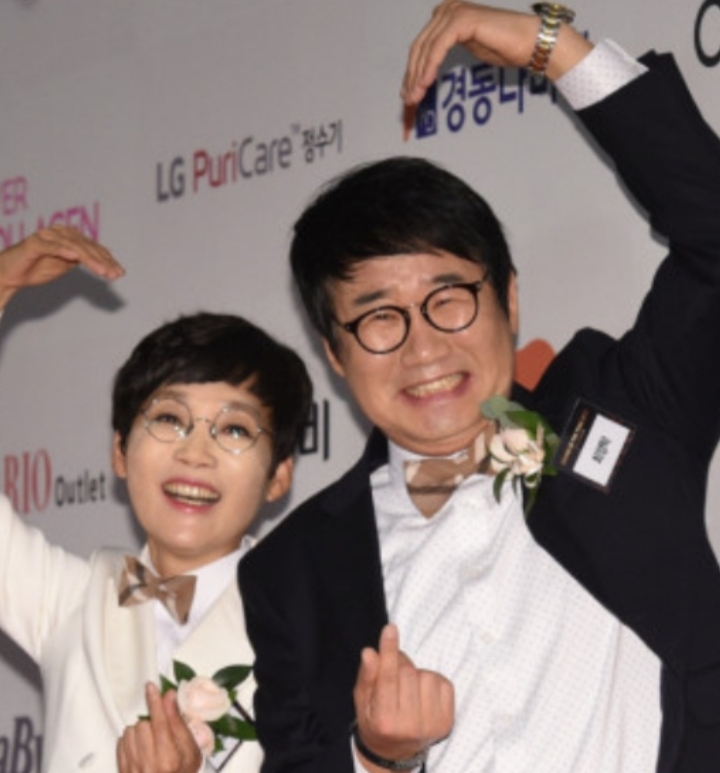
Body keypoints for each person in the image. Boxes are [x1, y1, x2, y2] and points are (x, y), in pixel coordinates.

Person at [238, 3, 720, 772]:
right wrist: (374, 756)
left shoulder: (627, 412)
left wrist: (552, 49)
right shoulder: (294, 570)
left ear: (510, 299)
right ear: (335, 352)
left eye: (449, 297)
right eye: (380, 317)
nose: (424, 346)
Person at [0, 226, 312, 773]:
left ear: (278, 476)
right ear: (120, 451)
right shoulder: (69, 599)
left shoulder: (311, 630)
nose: (195, 453)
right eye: (169, 419)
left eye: (234, 429)